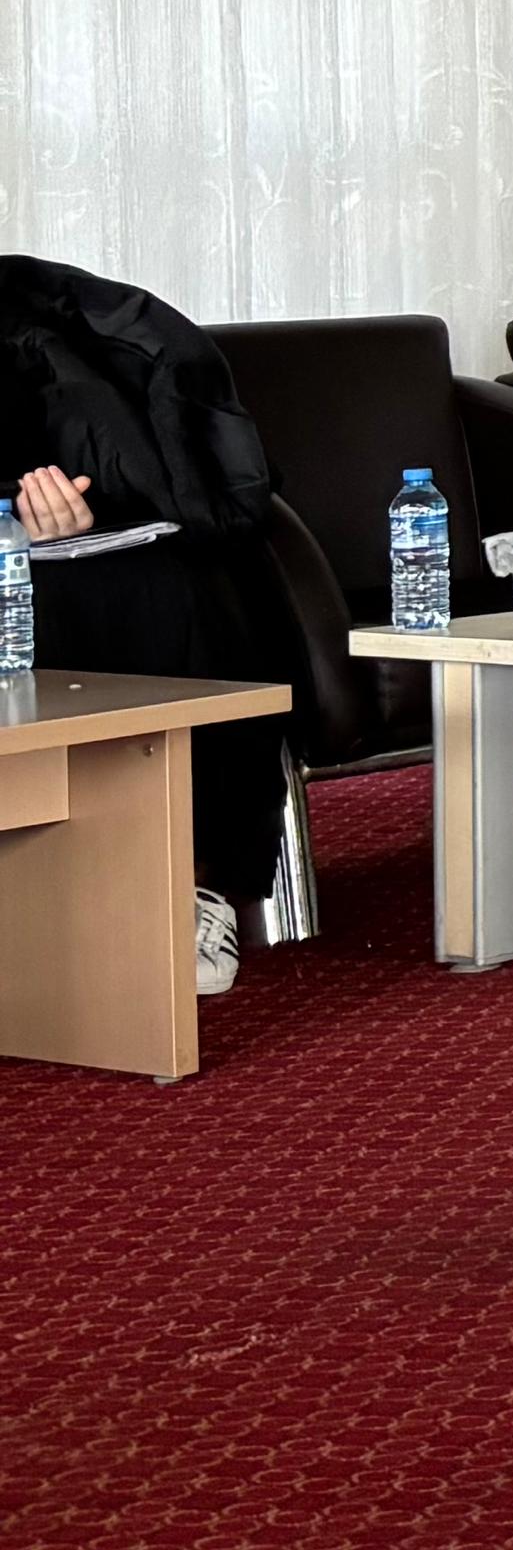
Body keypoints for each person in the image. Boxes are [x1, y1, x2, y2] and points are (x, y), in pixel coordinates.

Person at [0, 254, 301, 996]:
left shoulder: (31, 312)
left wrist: (35, 509)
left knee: (187, 578)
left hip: (50, 554)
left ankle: (194, 882)